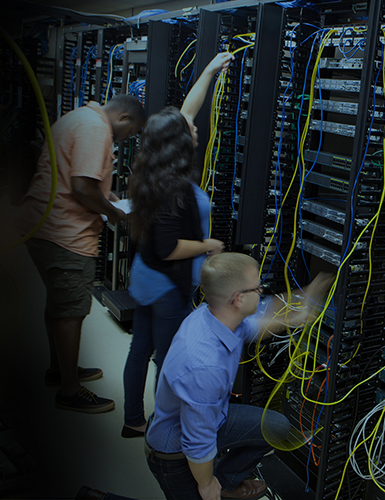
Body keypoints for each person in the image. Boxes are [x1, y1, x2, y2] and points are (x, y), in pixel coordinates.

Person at [145, 253, 331, 500]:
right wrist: (207, 484)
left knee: (275, 427)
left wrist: (304, 300)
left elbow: (261, 322)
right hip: (176, 453)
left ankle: (228, 483)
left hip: (212, 418)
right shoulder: (204, 365)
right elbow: (197, 442)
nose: (262, 291)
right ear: (239, 299)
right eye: (258, 287)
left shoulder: (217, 314)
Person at [122, 51, 235, 439]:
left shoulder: (154, 166)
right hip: (167, 284)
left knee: (139, 349)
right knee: (167, 359)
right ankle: (163, 433)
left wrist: (209, 70)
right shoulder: (175, 188)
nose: (195, 128)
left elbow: (188, 110)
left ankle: (133, 420)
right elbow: (171, 247)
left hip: (144, 276)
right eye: (189, 129)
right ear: (176, 142)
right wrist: (208, 245)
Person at [20, 89, 147, 413]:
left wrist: (108, 198)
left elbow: (74, 178)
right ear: (124, 118)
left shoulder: (80, 117)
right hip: (66, 233)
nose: (124, 139)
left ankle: (59, 369)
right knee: (72, 311)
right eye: (130, 132)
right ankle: (69, 389)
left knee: (59, 304)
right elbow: (81, 187)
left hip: (44, 225)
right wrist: (114, 212)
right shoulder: (96, 129)